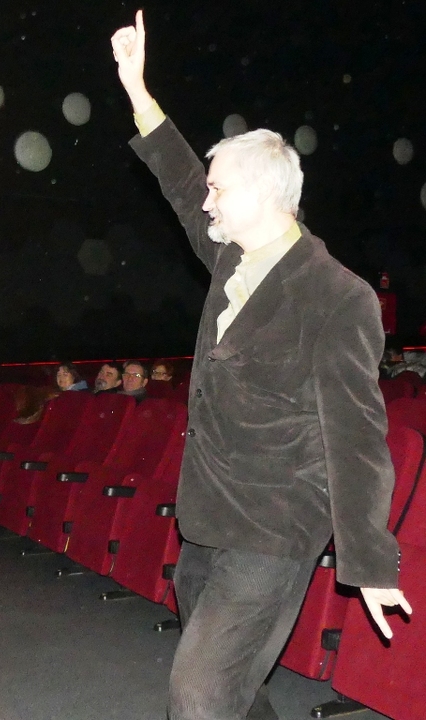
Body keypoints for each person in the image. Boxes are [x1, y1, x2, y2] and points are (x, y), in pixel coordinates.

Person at [112, 11, 411, 720]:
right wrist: (138, 92)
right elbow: (179, 179)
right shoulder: (230, 255)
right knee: (233, 687)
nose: (207, 199)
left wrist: (369, 560)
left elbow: (356, 437)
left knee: (199, 692)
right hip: (208, 514)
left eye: (220, 188)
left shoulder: (337, 297)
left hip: (276, 526)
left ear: (265, 195)